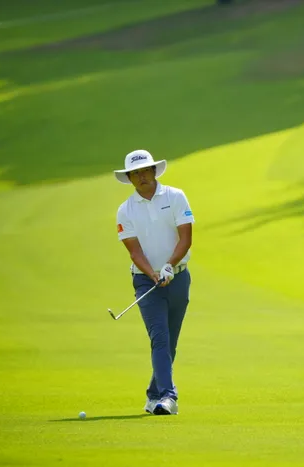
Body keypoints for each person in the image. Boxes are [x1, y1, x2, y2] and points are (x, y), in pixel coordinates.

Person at [113, 149, 194, 415]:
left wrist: (169, 266)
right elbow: (135, 252)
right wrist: (154, 274)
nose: (141, 176)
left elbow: (185, 238)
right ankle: (169, 397)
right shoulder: (125, 210)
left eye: (145, 170)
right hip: (146, 282)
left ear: (154, 171)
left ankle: (153, 395)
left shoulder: (175, 196)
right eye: (135, 173)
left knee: (170, 343)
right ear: (129, 178)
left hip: (179, 277)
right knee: (159, 338)